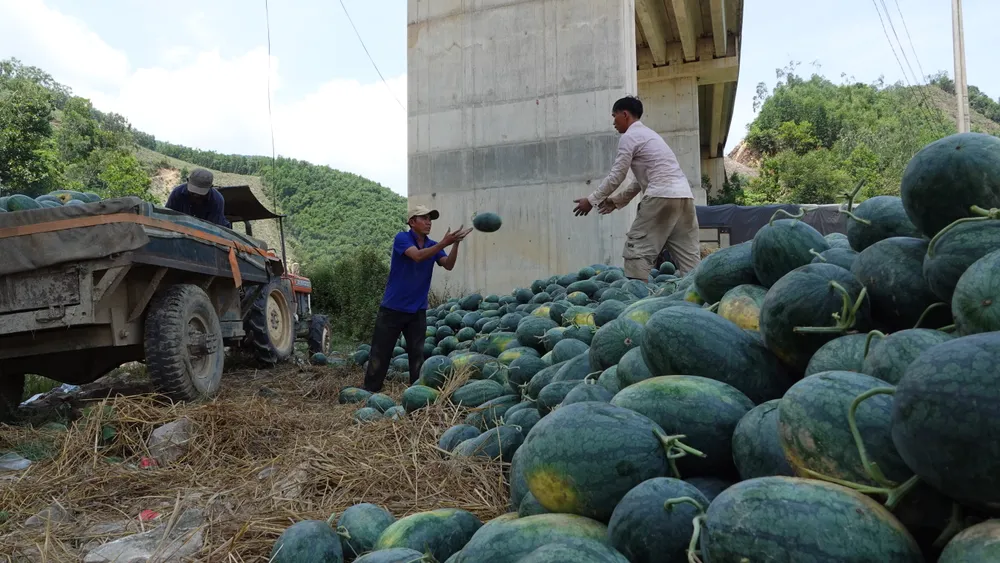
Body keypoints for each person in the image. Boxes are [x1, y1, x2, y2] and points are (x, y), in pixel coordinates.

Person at [572, 95, 701, 279]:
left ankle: (635, 300)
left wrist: (591, 200)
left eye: (614, 116)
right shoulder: (651, 136)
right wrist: (616, 201)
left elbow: (617, 175)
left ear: (625, 114)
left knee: (637, 252)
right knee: (689, 258)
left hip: (660, 197)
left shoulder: (630, 137)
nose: (613, 122)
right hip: (684, 198)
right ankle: (697, 299)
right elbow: (638, 182)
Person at [362, 205, 472, 393]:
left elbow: (448, 265)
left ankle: (416, 393)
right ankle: (370, 391)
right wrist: (444, 243)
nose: (429, 222)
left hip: (417, 311)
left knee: (417, 356)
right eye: (424, 218)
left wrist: (455, 243)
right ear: (412, 222)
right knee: (380, 354)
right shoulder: (402, 238)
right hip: (393, 309)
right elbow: (417, 256)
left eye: (430, 218)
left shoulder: (433, 245)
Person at [164, 168, 232, 228]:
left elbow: (215, 229)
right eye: (193, 193)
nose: (196, 196)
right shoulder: (177, 193)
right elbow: (167, 216)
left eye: (200, 195)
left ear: (210, 187)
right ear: (187, 181)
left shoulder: (217, 200)